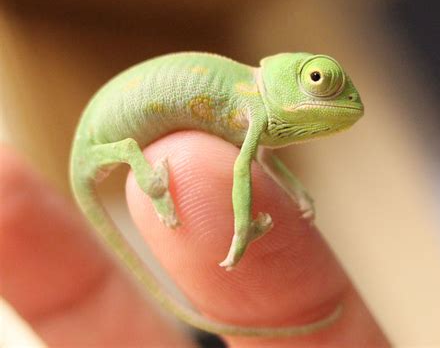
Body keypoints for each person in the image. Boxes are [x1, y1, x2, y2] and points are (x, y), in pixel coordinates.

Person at [0, 132, 390, 347]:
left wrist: (296, 190)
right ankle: (152, 185)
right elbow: (244, 165)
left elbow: (261, 155)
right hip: (101, 144)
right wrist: (241, 232)